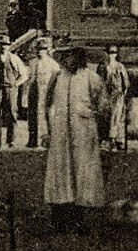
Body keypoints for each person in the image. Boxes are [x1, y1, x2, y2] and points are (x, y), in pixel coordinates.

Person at [43, 45, 109, 234]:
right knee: (60, 174)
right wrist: (47, 131)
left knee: (81, 174)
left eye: (70, 55)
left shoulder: (91, 78)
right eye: (64, 56)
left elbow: (104, 106)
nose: (67, 60)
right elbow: (47, 105)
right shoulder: (57, 78)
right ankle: (58, 220)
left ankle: (78, 220)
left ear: (79, 57)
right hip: (60, 134)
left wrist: (94, 121)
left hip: (83, 133)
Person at [0, 34, 29, 146]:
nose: (3, 47)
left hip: (10, 90)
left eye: (5, 45)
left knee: (11, 114)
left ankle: (11, 140)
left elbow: (24, 75)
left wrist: (16, 84)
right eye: (1, 44)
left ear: (8, 46)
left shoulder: (14, 59)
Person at [27, 37, 59, 149]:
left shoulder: (53, 64)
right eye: (39, 49)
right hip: (33, 91)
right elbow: (29, 79)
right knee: (32, 115)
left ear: (48, 50)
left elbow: (56, 81)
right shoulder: (32, 62)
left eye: (43, 49)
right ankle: (32, 140)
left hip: (46, 92)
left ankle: (46, 140)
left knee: (46, 116)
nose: (41, 51)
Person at [103, 44, 131, 151]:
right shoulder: (105, 66)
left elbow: (126, 82)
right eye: (110, 52)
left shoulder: (120, 66)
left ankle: (117, 140)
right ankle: (110, 140)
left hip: (117, 95)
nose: (112, 55)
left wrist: (123, 93)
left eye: (114, 53)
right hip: (107, 96)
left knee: (117, 117)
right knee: (109, 117)